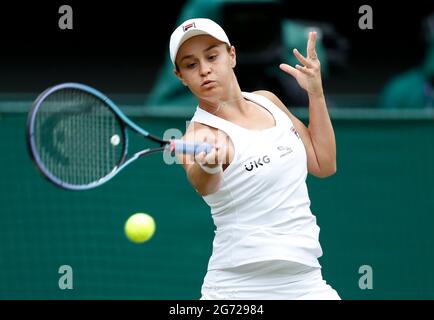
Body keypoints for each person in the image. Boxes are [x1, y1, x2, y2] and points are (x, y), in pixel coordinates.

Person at [170, 18, 339, 300]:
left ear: (232, 55)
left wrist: (316, 93)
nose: (204, 70)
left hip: (306, 281)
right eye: (190, 65)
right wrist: (210, 163)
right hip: (238, 289)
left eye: (212, 56)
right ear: (180, 77)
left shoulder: (268, 101)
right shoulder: (198, 135)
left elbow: (324, 163)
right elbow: (203, 184)